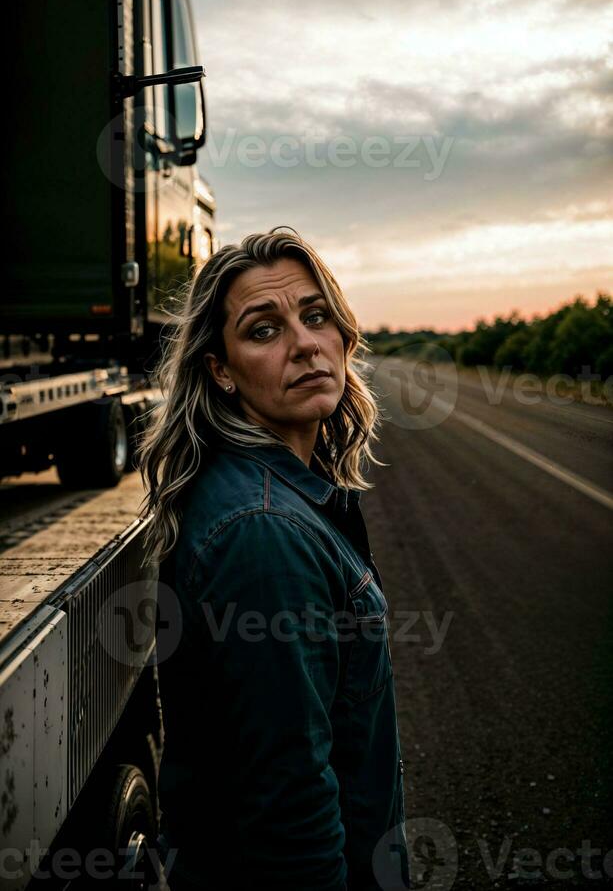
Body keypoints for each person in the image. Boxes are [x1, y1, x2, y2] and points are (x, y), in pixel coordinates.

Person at [137, 227, 409, 890]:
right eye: (264, 330)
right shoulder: (262, 533)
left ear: (342, 335)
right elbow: (290, 809)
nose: (304, 344)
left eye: (315, 316)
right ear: (221, 371)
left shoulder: (268, 495)